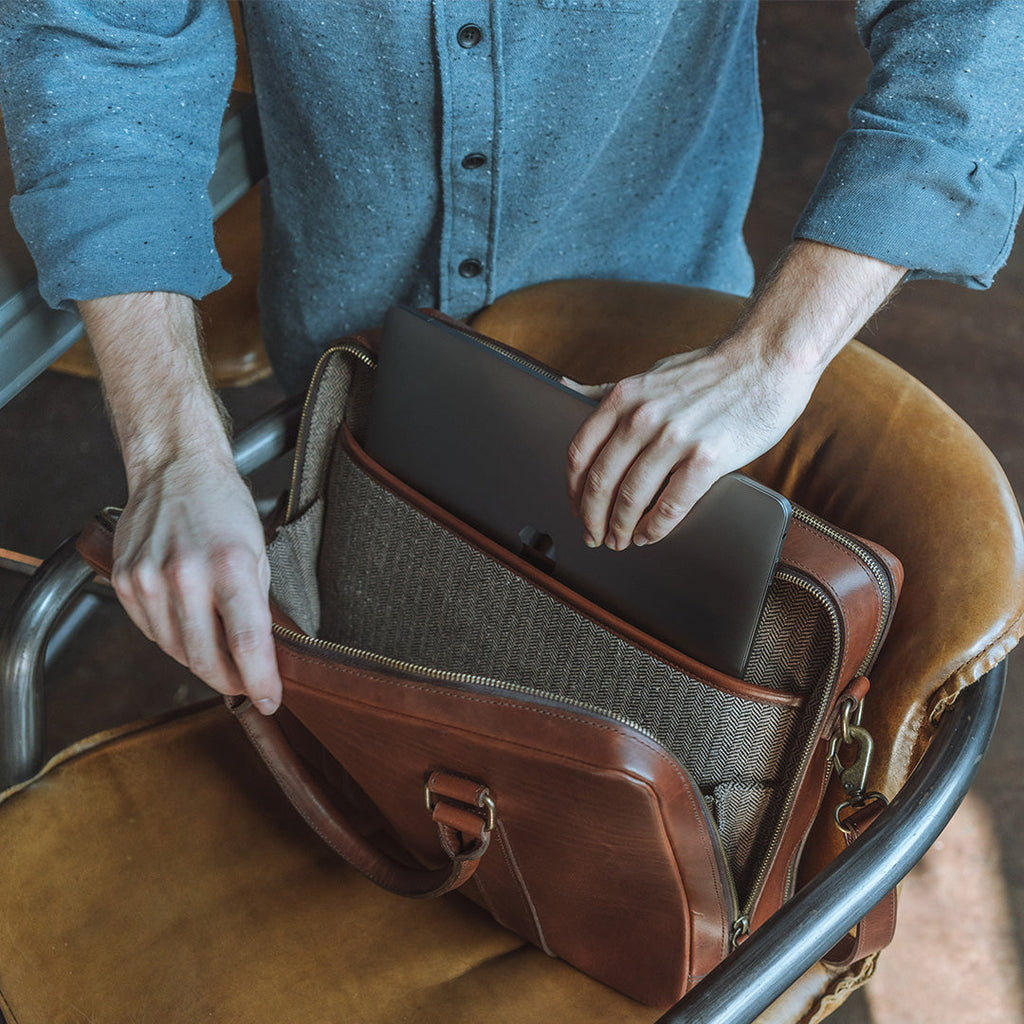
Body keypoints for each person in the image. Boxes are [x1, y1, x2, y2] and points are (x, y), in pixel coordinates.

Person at [1, 1, 1020, 718]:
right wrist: (176, 454)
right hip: (346, 372)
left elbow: (976, 27)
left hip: (652, 383)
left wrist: (773, 356)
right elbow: (97, 46)